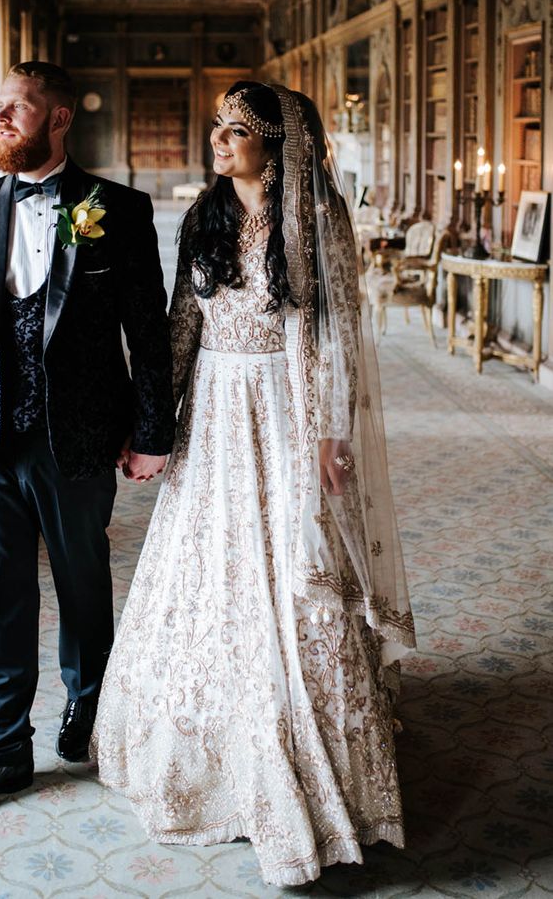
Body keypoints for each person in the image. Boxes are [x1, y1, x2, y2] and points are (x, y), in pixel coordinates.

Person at [92, 81, 416, 887]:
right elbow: (180, 326)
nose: (220, 139)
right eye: (216, 127)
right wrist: (153, 425)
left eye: (236, 129)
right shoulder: (204, 217)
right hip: (213, 411)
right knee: (206, 570)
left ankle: (316, 762)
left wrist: (331, 432)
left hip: (284, 408)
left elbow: (336, 329)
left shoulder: (316, 219)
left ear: (276, 142)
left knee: (298, 572)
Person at [0, 61, 174, 823]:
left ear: (60, 117)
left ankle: (90, 712)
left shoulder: (119, 211)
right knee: (1, 596)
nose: (0, 120)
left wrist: (153, 432)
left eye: (17, 109)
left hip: (84, 434)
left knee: (82, 584)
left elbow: (149, 332)